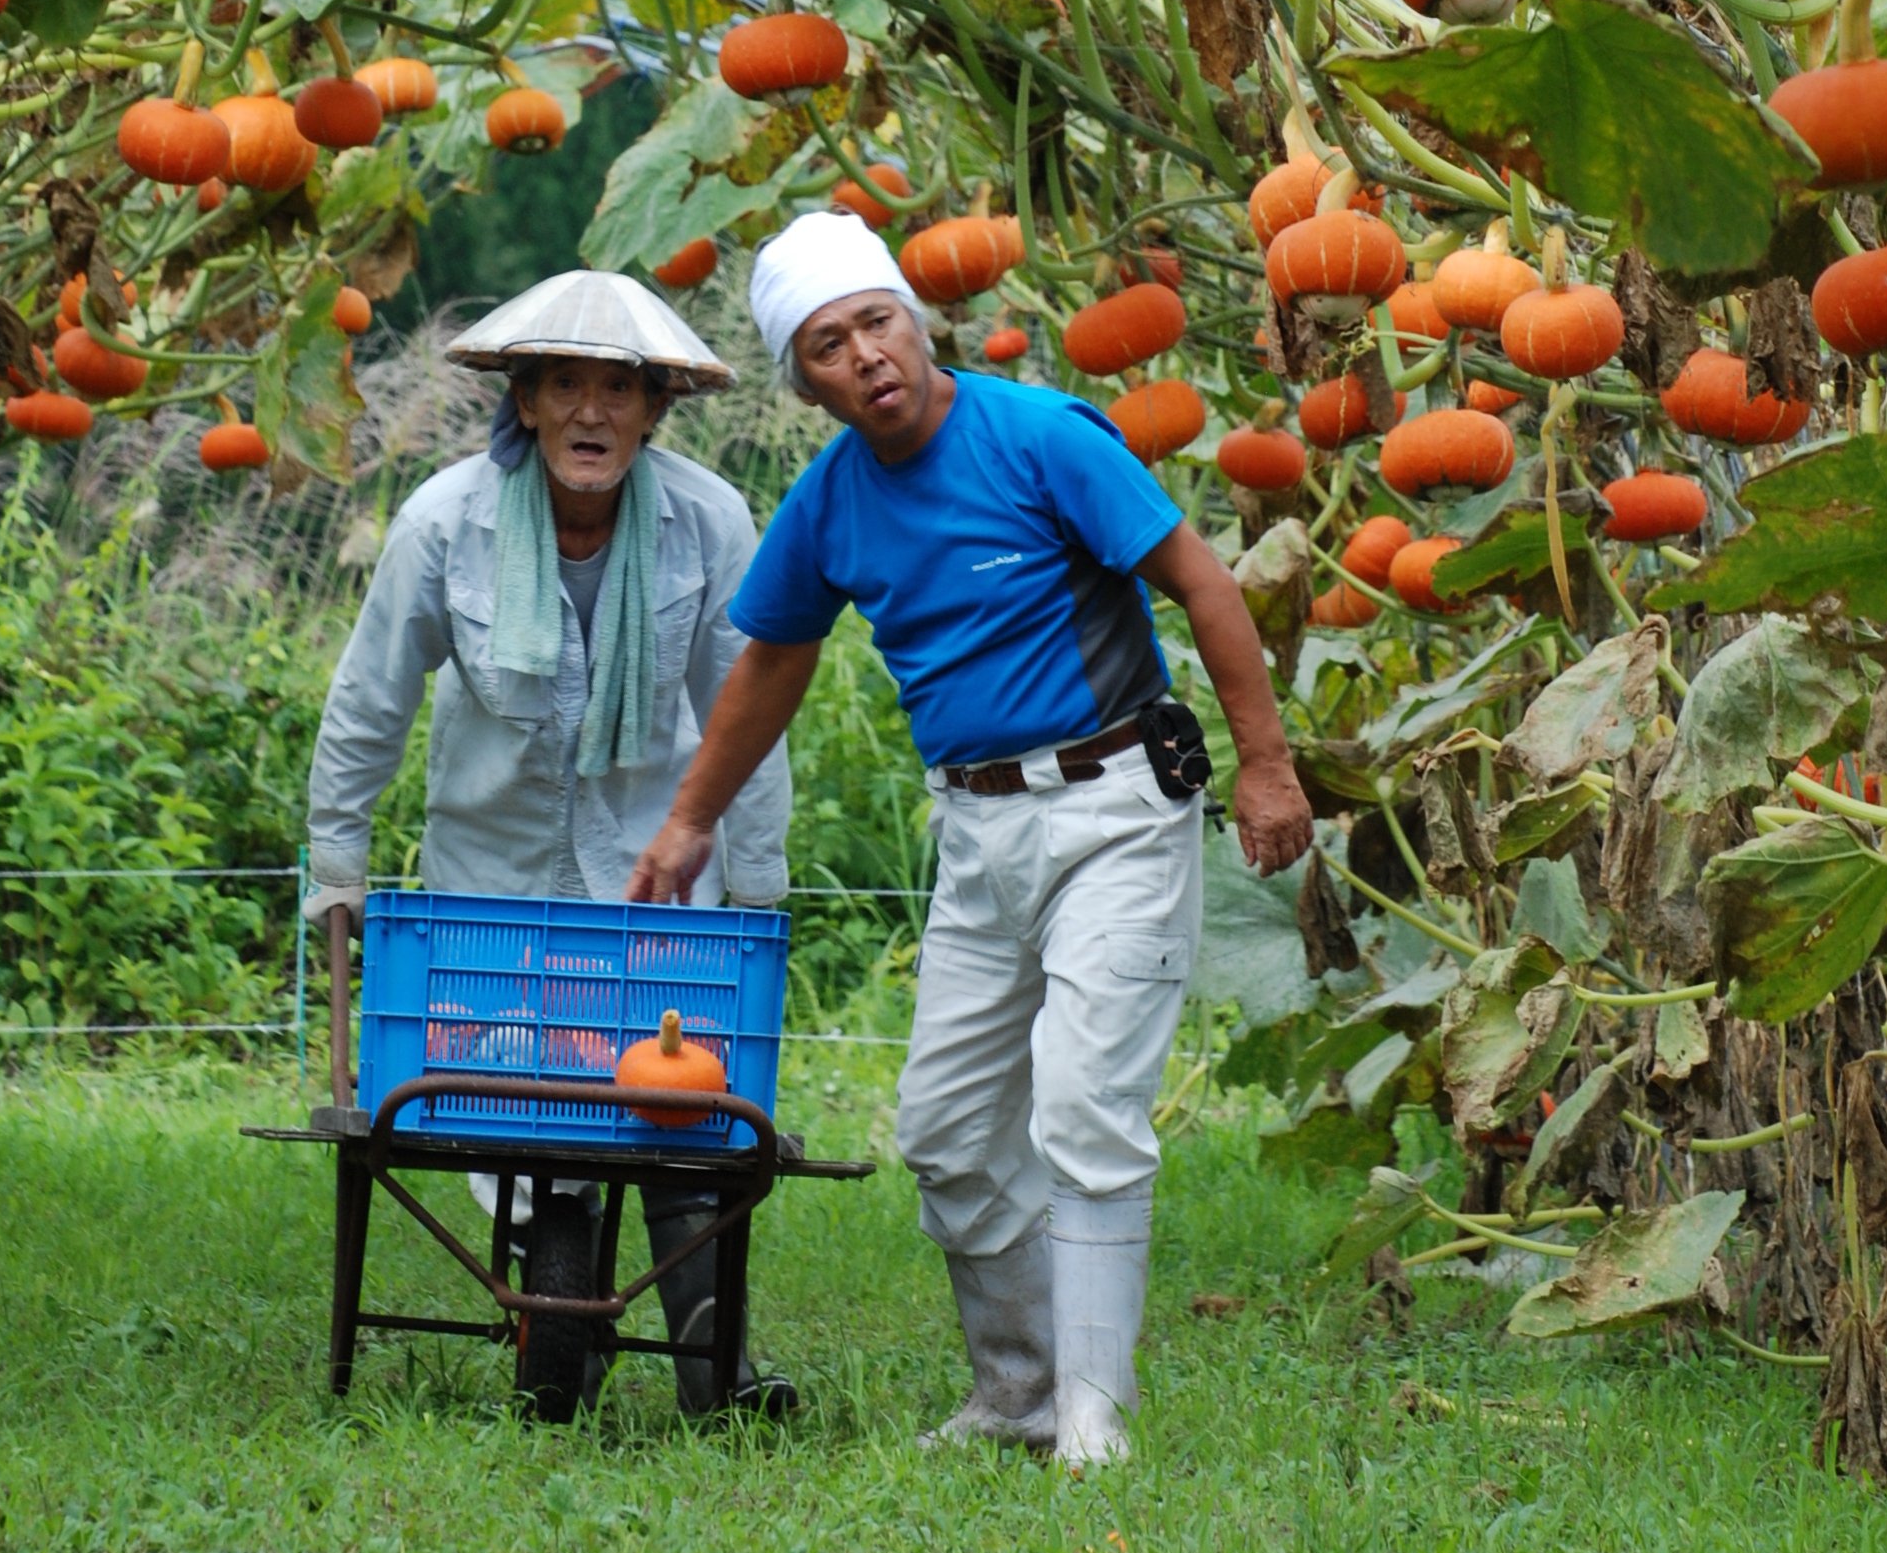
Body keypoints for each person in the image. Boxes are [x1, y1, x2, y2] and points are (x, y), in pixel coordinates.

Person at [627, 211, 1313, 1469]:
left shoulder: (1039, 435)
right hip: (977, 829)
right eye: (828, 345)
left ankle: (1095, 1421)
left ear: (916, 317)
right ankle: (1018, 1391)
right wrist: (689, 820)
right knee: (945, 1126)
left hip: (1114, 803)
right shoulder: (832, 500)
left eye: (877, 321)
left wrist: (1266, 764)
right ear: (805, 380)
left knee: (1086, 1103)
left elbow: (1203, 582)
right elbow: (771, 659)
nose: (867, 356)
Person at [307, 268, 793, 1416]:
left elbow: (748, 712)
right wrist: (338, 869)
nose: (591, 413)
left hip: (656, 876)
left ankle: (711, 1358)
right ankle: (555, 1298)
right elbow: (369, 702)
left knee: (680, 1101)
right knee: (518, 1096)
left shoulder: (710, 521)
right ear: (522, 399)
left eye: (618, 388)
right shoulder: (447, 522)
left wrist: (758, 892)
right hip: (495, 880)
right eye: (563, 384)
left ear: (655, 406)